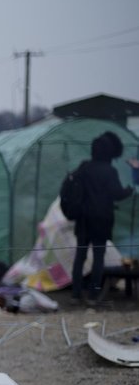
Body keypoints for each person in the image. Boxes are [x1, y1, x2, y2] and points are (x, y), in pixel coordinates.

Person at [70, 131, 134, 306]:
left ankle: (75, 295)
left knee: (80, 256)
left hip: (83, 219)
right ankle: (92, 296)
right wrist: (129, 190)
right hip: (101, 220)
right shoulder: (109, 171)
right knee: (98, 258)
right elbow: (116, 193)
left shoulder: (83, 168)